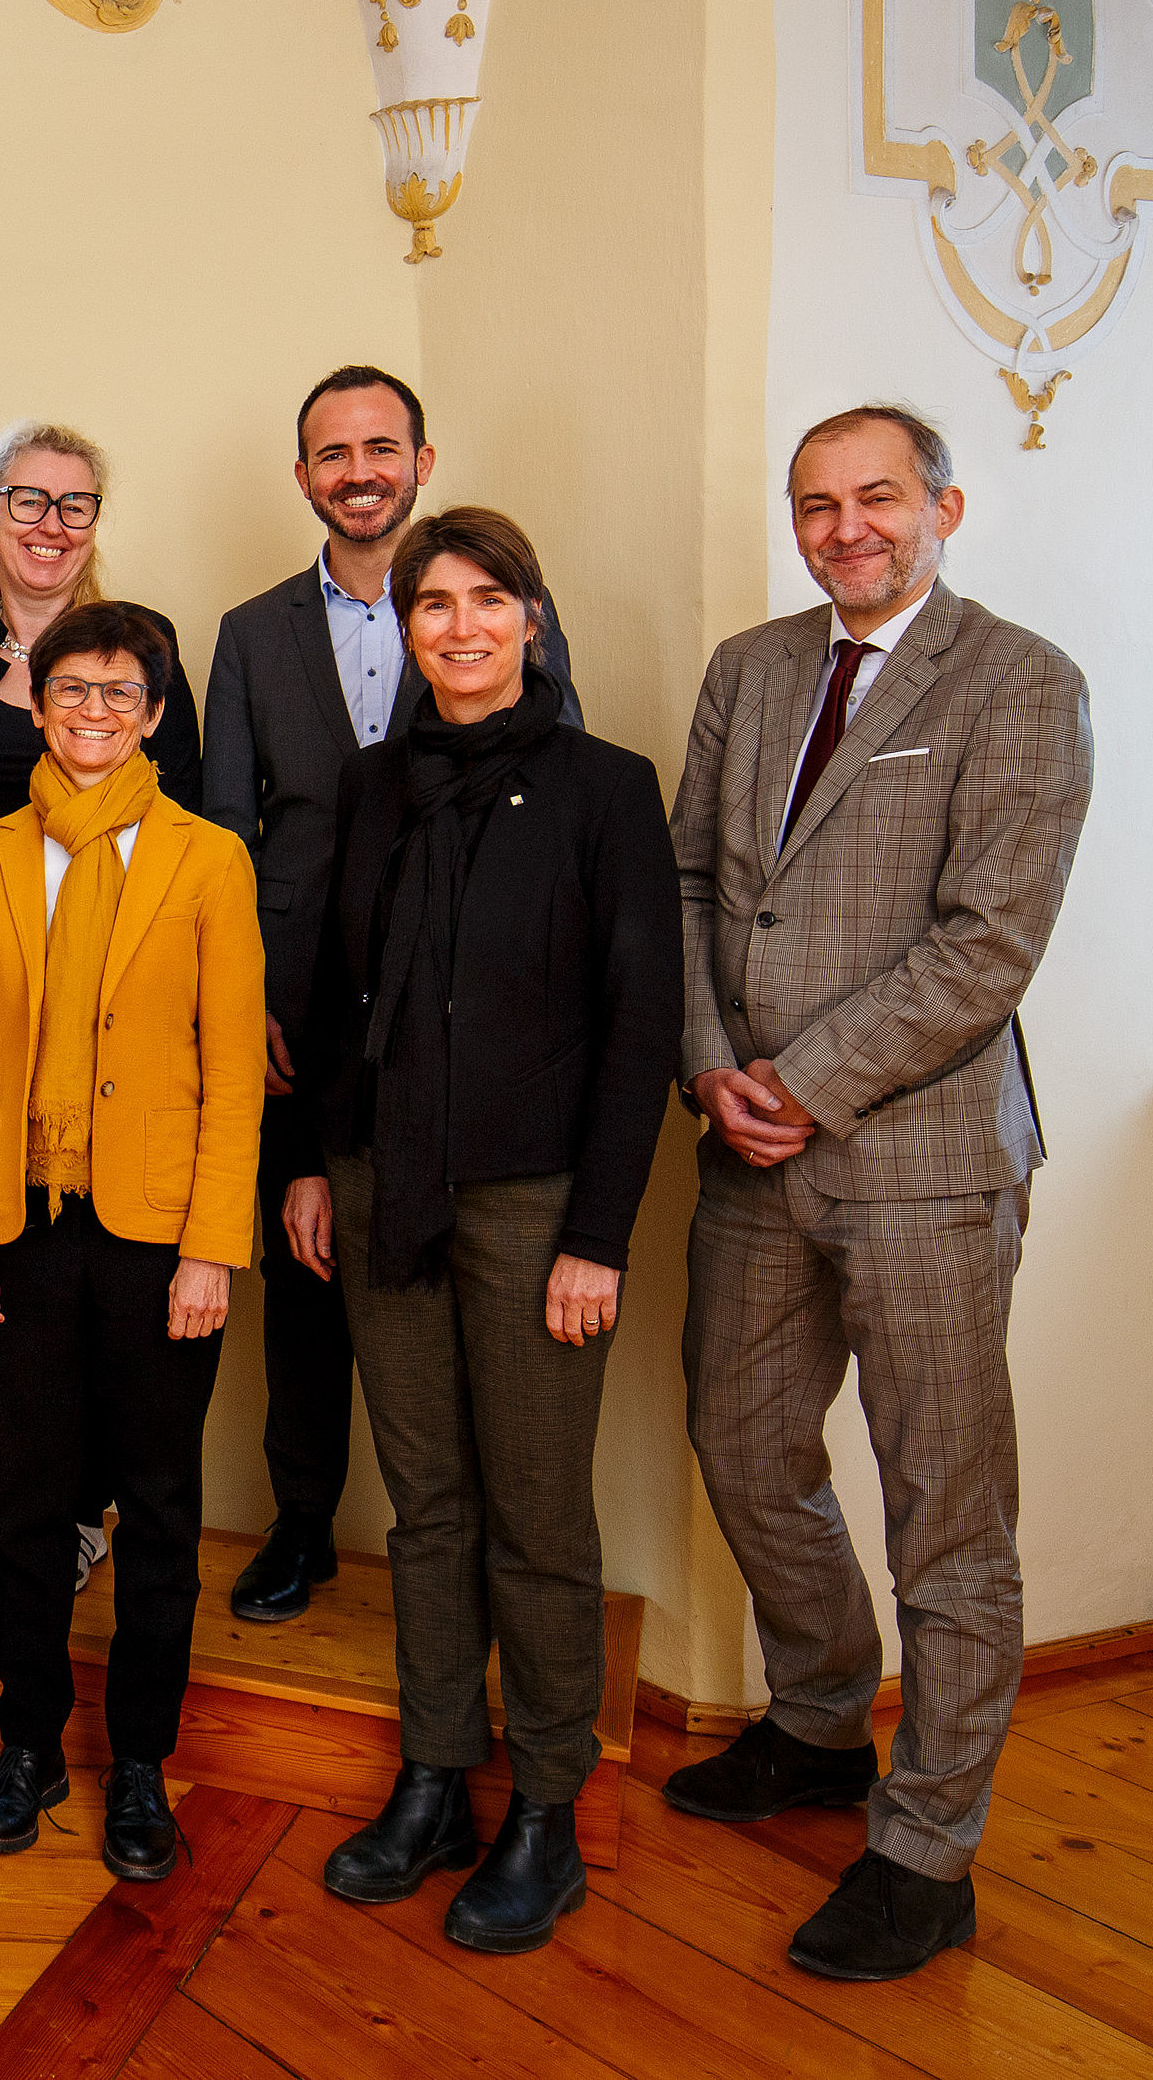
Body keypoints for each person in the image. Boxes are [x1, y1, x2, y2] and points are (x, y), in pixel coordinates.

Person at [665, 406, 1090, 1983]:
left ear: (943, 507)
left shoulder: (1022, 682)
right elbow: (693, 882)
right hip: (742, 1143)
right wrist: (715, 1070)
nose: (845, 527)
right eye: (817, 504)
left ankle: (927, 1847)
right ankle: (822, 1715)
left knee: (946, 1513)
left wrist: (809, 1082)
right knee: (741, 1439)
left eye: (878, 498)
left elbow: (989, 939)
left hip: (921, 1160)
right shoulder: (750, 670)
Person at [273, 509, 675, 1955]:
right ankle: (436, 1774)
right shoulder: (375, 786)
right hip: (384, 1188)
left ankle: (547, 1810)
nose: (456, 626)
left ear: (530, 617)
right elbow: (331, 996)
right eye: (432, 603)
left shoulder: (605, 790)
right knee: (426, 1504)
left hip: (532, 1211)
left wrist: (600, 1236)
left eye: (485, 600)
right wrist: (320, 1166)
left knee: (537, 1517)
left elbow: (640, 1034)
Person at [204, 365, 583, 1629]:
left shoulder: (493, 613)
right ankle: (300, 1522)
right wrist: (241, 992)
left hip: (462, 1003)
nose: (357, 469)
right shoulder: (251, 634)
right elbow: (223, 834)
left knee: (464, 1276)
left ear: (422, 459)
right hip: (300, 1009)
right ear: (301, 473)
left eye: (381, 445)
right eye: (331, 451)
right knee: (310, 1265)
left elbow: (553, 800)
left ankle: (479, 1549)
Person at [0, 602, 264, 1884]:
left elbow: (231, 1076)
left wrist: (208, 1248)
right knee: (28, 1504)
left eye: (121, 695)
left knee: (162, 1509)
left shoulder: (207, 860)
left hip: (157, 1233)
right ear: (37, 700)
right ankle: (26, 1746)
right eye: (72, 690)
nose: (93, 714)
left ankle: (136, 1763)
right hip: (18, 1229)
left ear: (155, 714)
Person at [0, 420, 200, 1584]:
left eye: (75, 503)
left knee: (101, 1252)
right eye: (28, 499)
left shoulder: (140, 650)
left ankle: (79, 1498)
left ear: (96, 522)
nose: (50, 524)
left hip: (119, 1020)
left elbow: (187, 831)